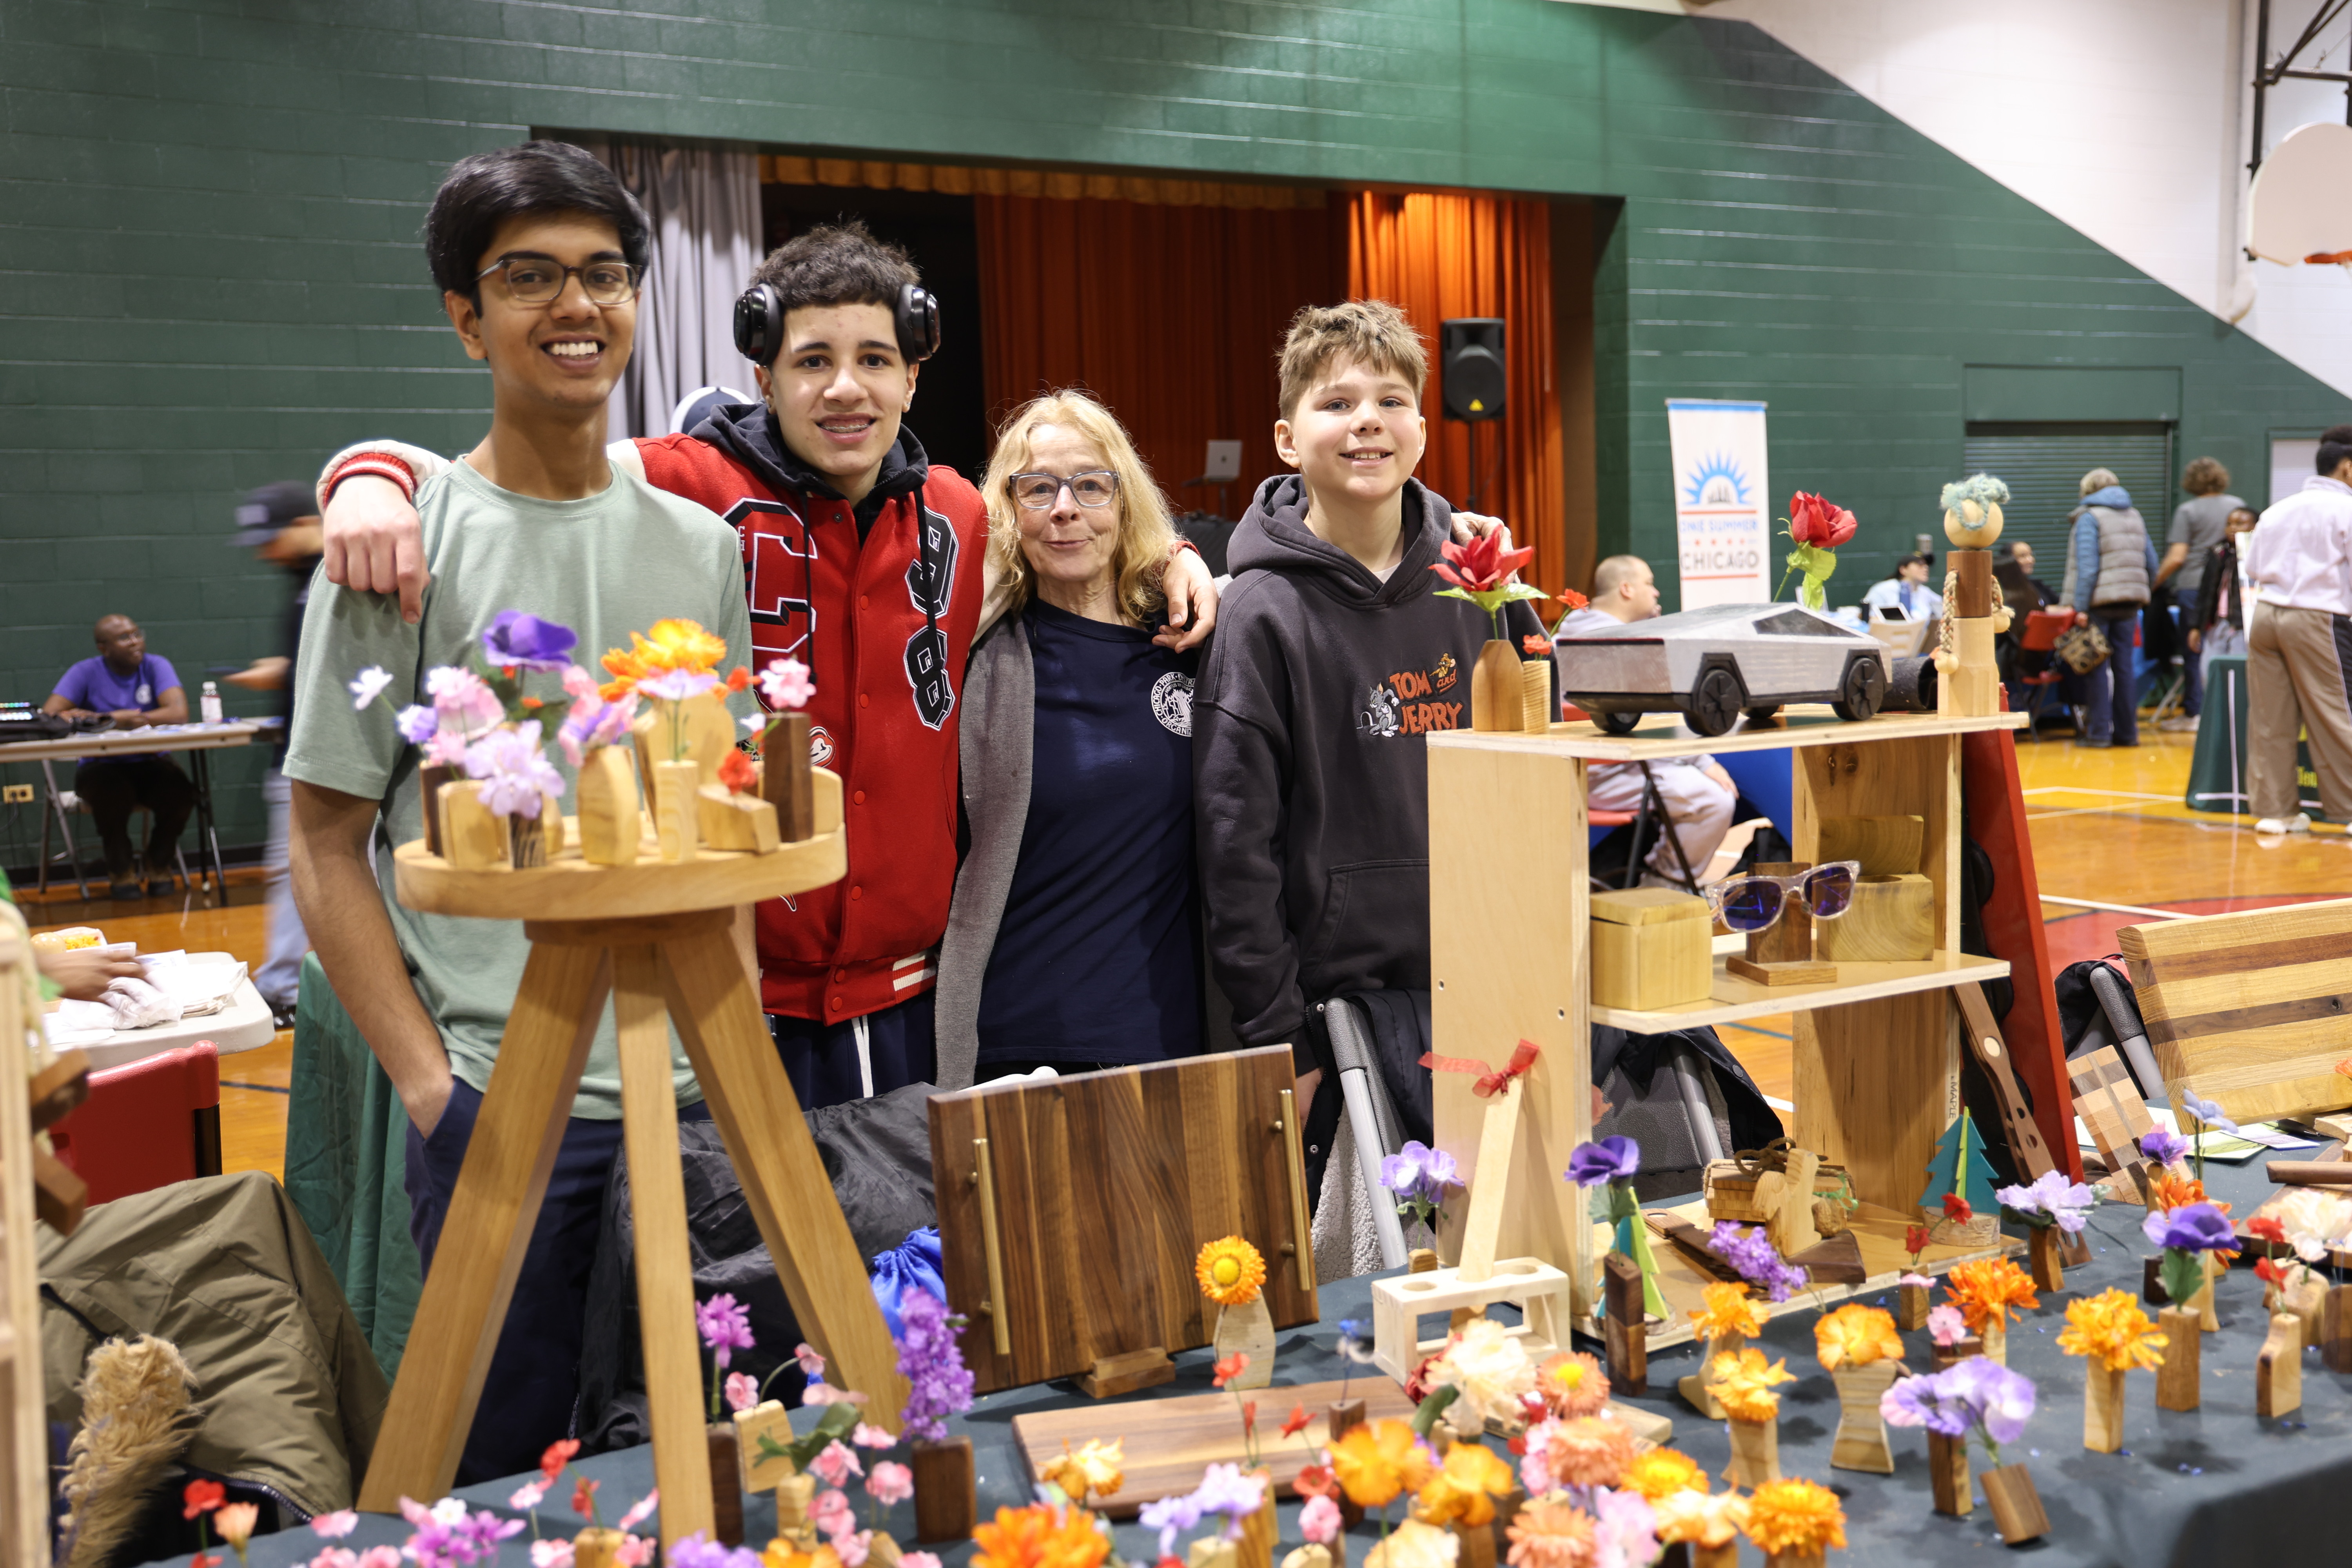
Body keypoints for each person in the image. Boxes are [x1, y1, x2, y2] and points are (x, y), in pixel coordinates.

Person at [312, 221, 1220, 1109]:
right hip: (736, 996)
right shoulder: (683, 480)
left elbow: (1081, 537)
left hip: (917, 1003)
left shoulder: (956, 513)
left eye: (873, 359)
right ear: (764, 375)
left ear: (912, 373)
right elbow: (520, 473)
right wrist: (373, 471)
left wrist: (1168, 553)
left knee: (919, 1257)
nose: (844, 388)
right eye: (813, 360)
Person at [285, 141, 753, 1481]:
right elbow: (326, 844)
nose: (576, 306)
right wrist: (436, 1092)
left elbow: (717, 820)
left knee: (694, 1464)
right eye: (529, 276)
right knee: (500, 1477)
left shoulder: (702, 549)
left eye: (604, 273)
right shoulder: (401, 543)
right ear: (464, 315)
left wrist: (738, 1063)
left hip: (692, 1097)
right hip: (506, 1105)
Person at [1193, 299, 1546, 1190]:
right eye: (1335, 402)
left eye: (1390, 401)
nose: (1366, 422)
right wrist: (1279, 1034)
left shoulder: (1486, 587)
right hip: (1337, 1025)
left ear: (1422, 429)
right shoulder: (1258, 614)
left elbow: (1548, 785)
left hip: (1489, 993)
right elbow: (1236, 852)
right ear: (1284, 438)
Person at [935, 392, 1204, 1082]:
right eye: (1037, 489)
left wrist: (1182, 554)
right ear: (1007, 510)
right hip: (1019, 1042)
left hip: (1174, 1040)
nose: (1064, 509)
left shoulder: (1189, 642)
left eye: (1090, 486)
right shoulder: (981, 654)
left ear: (1124, 501)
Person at [1553, 555, 1738, 886]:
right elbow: (1654, 723)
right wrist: (1703, 761)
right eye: (1649, 584)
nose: (1656, 593)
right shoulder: (1622, 644)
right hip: (1613, 773)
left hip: (1569, 773)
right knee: (1715, 798)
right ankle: (1664, 885)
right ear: (1626, 589)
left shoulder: (1559, 637)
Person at [225, 483, 323, 1026]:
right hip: (297, 755)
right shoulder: (301, 580)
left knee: (294, 871)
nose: (265, 552)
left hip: (315, 759)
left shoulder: (330, 574)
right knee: (295, 871)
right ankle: (287, 981)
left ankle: (284, 987)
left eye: (272, 538)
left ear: (306, 523)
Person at [2240, 426, 2352, 835]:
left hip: (2267, 615)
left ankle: (2276, 812)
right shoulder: (2347, 511)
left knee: (2271, 717)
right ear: (2347, 468)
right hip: (2316, 618)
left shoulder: (2277, 509)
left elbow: (2252, 569)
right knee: (2332, 713)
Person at [42, 616, 196, 899]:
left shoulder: (156, 665)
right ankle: (121, 870)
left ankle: (158, 862)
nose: (135, 641)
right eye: (125, 638)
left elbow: (178, 713)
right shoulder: (85, 671)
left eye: (137, 634)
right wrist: (123, 718)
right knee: (113, 795)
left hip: (149, 762)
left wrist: (117, 719)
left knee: (182, 792)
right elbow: (50, 715)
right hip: (101, 767)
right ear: (104, 648)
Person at [2060, 466, 2160, 749]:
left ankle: (2099, 734)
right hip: (2131, 601)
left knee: (2096, 667)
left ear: (2088, 491)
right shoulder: (2135, 515)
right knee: (2125, 667)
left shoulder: (2089, 517)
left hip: (2099, 603)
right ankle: (2128, 735)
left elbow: (2088, 568)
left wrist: (2080, 606)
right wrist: (2142, 591)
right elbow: (2151, 561)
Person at [2156, 457, 2247, 730]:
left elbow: (2177, 557)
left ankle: (2195, 712)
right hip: (2231, 588)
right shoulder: (2237, 505)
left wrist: (2154, 584)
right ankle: (2230, 710)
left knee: (2194, 650)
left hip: (2195, 587)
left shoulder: (2188, 511)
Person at [2187, 505, 2258, 688]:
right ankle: (2214, 716)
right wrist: (2196, 626)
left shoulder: (2260, 553)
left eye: (2240, 523)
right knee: (2208, 673)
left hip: (2244, 625)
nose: (2233, 528)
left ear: (2255, 526)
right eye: (2229, 524)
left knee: (2239, 676)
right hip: (2218, 623)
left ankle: (2238, 717)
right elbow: (2205, 591)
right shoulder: (2218, 552)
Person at [1861, 553, 1943, 621]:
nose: (1926, 568)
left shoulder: (1926, 592)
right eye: (1920, 564)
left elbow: (1945, 610)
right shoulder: (1883, 589)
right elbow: (1868, 618)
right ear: (1903, 569)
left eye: (1927, 565)